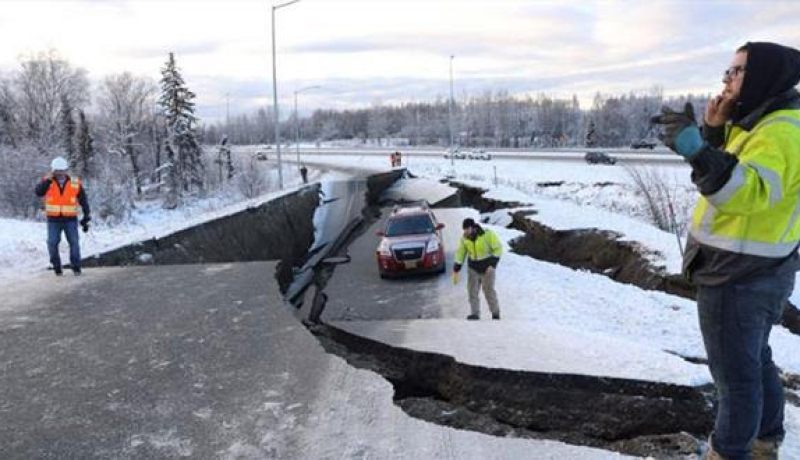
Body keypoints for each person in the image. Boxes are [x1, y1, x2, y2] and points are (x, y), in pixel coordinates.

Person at [652, 42, 800, 460]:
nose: (727, 79)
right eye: (727, 71)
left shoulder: (780, 132)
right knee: (755, 359)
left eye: (737, 71)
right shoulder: (763, 122)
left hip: (738, 275)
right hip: (761, 267)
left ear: (765, 75)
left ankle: (730, 452)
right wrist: (714, 132)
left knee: (735, 379)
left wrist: (698, 150)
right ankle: (765, 442)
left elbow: (742, 193)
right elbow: (736, 167)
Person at [34, 156, 91, 276]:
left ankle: (76, 267)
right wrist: (47, 181)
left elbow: (83, 200)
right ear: (53, 170)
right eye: (57, 171)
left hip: (70, 219)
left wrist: (86, 215)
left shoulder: (75, 182)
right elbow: (39, 192)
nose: (59, 173)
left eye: (62, 170)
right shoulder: (47, 182)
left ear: (66, 170)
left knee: (74, 243)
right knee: (52, 243)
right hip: (53, 219)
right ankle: (57, 267)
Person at [452, 218, 502, 320]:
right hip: (473, 267)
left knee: (488, 290)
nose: (466, 232)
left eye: (467, 229)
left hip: (487, 267)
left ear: (473, 227)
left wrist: (492, 264)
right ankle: (475, 313)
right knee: (472, 291)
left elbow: (498, 248)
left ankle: (495, 312)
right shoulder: (464, 238)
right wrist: (457, 265)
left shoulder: (487, 234)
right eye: (464, 229)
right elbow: (461, 252)